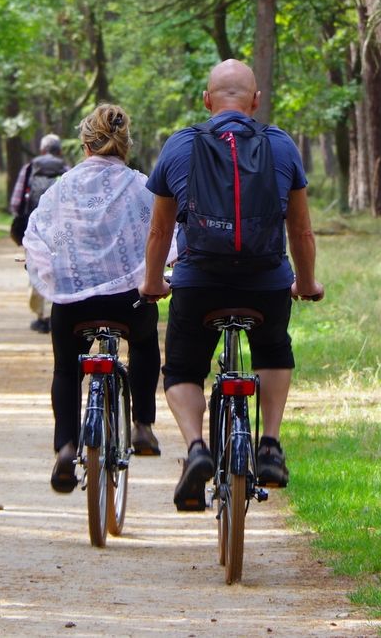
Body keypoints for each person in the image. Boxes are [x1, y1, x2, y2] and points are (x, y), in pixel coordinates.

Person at [140, 59, 323, 512]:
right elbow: (301, 231)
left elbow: (159, 233)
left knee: (182, 368)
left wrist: (151, 284)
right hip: (265, 283)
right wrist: (305, 282)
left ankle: (198, 448)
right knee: (274, 349)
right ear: (255, 101)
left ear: (207, 100)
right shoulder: (281, 146)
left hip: (200, 283)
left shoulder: (180, 145)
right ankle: (270, 446)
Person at [23, 104, 169, 493]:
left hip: (74, 305)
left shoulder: (62, 189)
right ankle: (142, 426)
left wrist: (45, 268)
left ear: (85, 145)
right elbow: (163, 235)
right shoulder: (142, 186)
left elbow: (40, 236)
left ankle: (66, 448)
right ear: (125, 147)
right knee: (142, 341)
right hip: (128, 301)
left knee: (66, 369)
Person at [11, 133, 68, 333]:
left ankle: (40, 316)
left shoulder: (29, 169)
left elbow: (17, 202)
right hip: (60, 230)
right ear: (59, 151)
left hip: (33, 228)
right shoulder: (66, 171)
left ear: (42, 150)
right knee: (58, 268)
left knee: (35, 267)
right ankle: (55, 313)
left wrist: (20, 220)